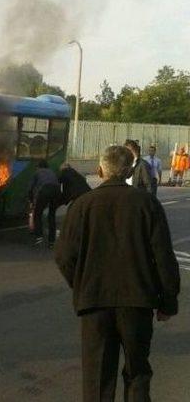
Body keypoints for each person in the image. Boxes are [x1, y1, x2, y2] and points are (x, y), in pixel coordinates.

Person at [55, 145, 180, 402]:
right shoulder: (147, 203)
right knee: (138, 372)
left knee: (97, 378)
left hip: (94, 302)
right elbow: (164, 258)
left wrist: (81, 284)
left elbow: (64, 256)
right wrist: (168, 302)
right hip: (138, 302)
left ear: (100, 170)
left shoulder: (82, 205)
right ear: (130, 170)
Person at [28, 159, 61, 247]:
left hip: (45, 190)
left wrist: (31, 201)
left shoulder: (37, 172)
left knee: (37, 214)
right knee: (51, 215)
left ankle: (39, 237)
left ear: (38, 166)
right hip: (57, 191)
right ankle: (51, 241)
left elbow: (30, 188)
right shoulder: (51, 172)